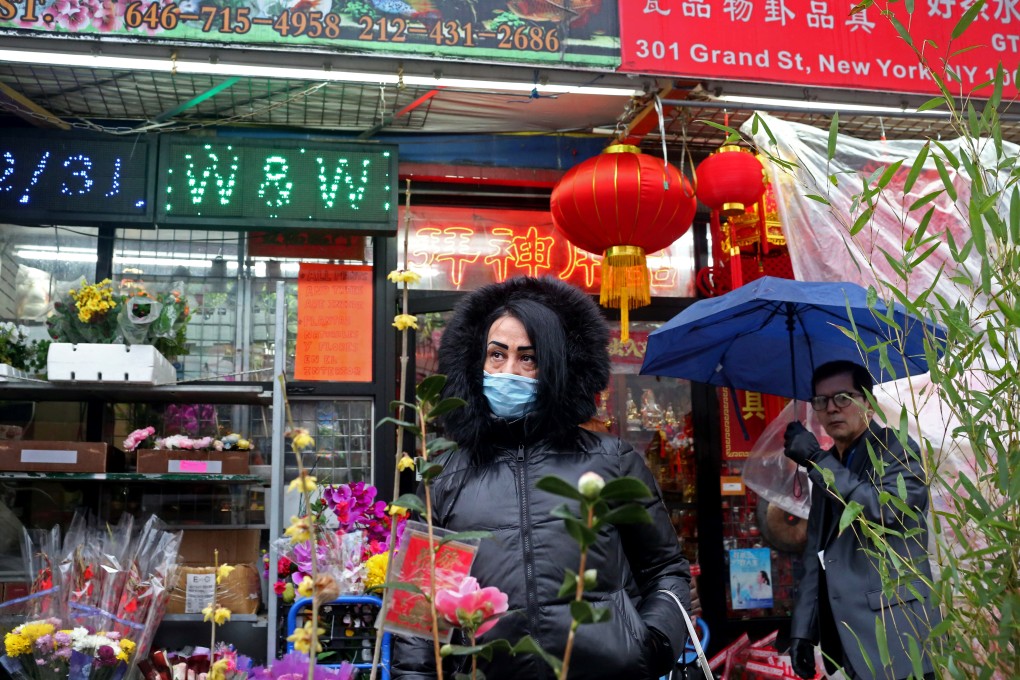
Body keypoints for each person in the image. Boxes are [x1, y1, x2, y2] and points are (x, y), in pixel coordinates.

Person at [392, 276, 692, 680]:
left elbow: (666, 571)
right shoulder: (447, 473)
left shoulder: (611, 461)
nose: (509, 370)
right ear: (475, 362)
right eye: (496, 355)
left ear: (555, 368)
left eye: (528, 358)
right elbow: (418, 610)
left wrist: (649, 645)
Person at [783, 360, 941, 680]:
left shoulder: (895, 448)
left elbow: (879, 511)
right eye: (820, 401)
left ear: (867, 402)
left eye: (843, 397)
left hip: (897, 637)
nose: (831, 409)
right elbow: (818, 550)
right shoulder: (833, 463)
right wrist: (803, 630)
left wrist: (817, 459)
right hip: (847, 642)